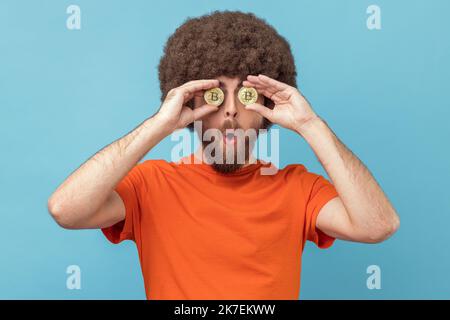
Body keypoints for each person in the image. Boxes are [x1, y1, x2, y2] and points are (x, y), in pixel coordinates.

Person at [48, 10, 399, 299]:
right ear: (190, 101)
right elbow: (66, 209)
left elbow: (378, 225)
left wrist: (310, 124)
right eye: (216, 94)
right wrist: (158, 125)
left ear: (265, 105)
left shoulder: (298, 189)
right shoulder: (151, 185)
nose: (230, 110)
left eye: (245, 95)